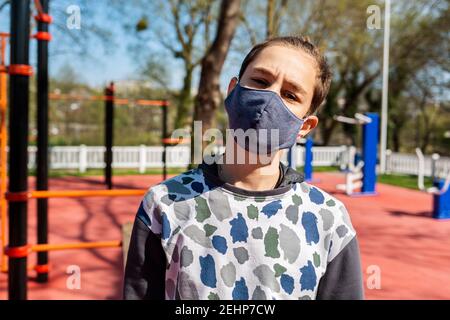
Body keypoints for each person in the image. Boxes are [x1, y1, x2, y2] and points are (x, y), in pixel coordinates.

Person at [123, 36, 364, 300]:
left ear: (304, 127)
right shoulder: (165, 204)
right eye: (260, 81)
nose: (270, 98)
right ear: (232, 91)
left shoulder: (328, 220)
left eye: (290, 95)